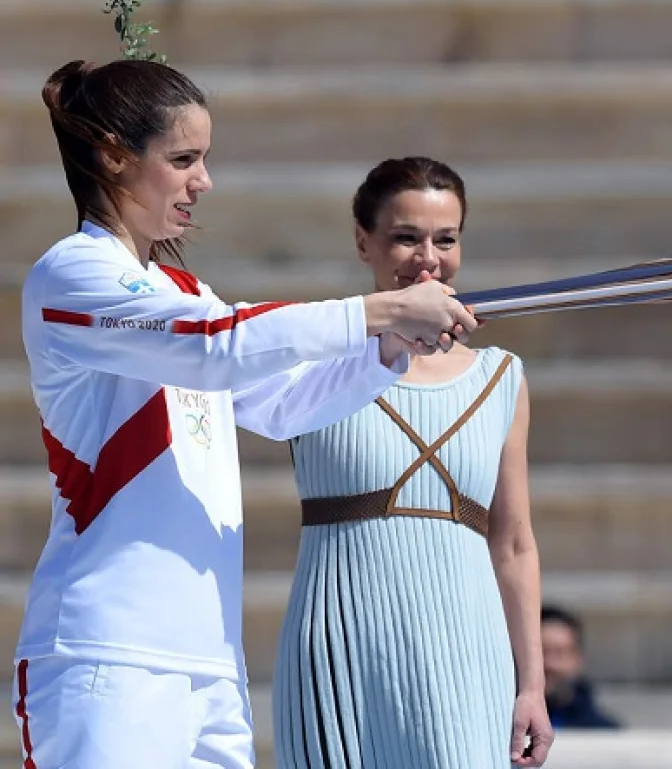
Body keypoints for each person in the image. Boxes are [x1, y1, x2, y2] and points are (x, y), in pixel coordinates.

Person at [13, 60, 477, 769]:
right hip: (109, 655)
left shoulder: (182, 289)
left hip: (209, 659)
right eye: (183, 160)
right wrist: (381, 308)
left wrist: (387, 347)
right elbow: (218, 346)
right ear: (113, 155)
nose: (204, 182)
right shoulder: (71, 276)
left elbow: (285, 403)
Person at [272, 156, 553, 769]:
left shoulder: (502, 377)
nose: (428, 257)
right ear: (362, 240)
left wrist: (530, 686)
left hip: (466, 647)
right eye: (405, 237)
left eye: (445, 239)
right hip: (340, 644)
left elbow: (513, 544)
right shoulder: (314, 357)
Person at [541, 605, 621, 729]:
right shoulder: (505, 729)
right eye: (541, 652)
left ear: (578, 659)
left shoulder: (604, 733)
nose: (549, 664)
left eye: (560, 653)